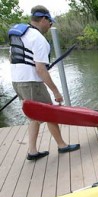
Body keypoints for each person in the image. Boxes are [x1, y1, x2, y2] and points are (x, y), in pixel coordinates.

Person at [9, 5, 80, 161]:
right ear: (43, 19)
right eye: (50, 22)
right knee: (50, 114)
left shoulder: (21, 34)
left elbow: (13, 59)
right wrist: (56, 92)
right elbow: (41, 70)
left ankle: (32, 152)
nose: (51, 25)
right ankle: (62, 146)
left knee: (34, 116)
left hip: (17, 81)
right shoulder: (38, 39)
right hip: (31, 83)